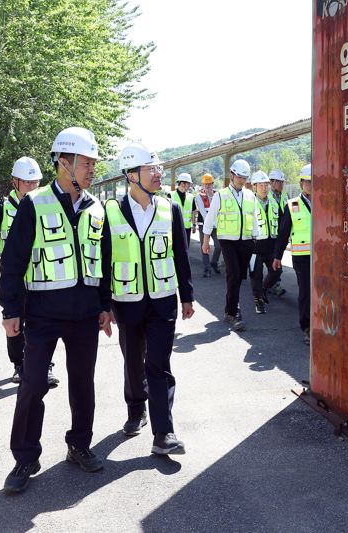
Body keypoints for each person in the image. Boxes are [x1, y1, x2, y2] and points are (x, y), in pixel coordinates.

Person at [0, 127, 113, 493]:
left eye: (94, 162)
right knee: (32, 384)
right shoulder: (36, 203)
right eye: (86, 162)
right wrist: (10, 310)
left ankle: (79, 445)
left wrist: (105, 306)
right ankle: (25, 458)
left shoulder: (96, 208)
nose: (92, 168)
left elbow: (104, 260)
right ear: (64, 163)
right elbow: (13, 262)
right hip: (43, 315)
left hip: (85, 316)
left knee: (83, 384)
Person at [106, 141, 194, 453]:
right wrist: (104, 306)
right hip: (127, 301)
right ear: (131, 175)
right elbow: (104, 261)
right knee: (133, 361)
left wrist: (187, 296)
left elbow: (180, 254)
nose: (158, 174)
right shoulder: (111, 212)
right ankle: (135, 410)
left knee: (159, 363)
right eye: (150, 168)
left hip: (162, 299)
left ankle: (164, 433)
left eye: (158, 167)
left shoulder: (170, 208)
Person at [0, 157, 58, 385]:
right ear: (15, 182)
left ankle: (46, 367)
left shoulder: (46, 206)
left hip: (41, 274)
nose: (32, 187)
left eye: (36, 182)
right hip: (13, 277)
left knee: (43, 323)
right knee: (13, 322)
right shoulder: (1, 209)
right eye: (27, 182)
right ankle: (19, 365)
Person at [201, 159, 258, 331]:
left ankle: (229, 309)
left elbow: (254, 218)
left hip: (246, 241)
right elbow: (210, 218)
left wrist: (256, 239)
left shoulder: (250, 195)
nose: (242, 180)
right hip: (227, 241)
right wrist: (205, 241)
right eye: (239, 177)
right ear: (232, 175)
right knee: (233, 275)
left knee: (239, 277)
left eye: (245, 178)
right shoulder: (221, 195)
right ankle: (234, 313)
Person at [274, 164, 313, 346]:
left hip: (322, 256)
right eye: (308, 182)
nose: (311, 185)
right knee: (305, 291)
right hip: (301, 257)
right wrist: (277, 256)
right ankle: (307, 327)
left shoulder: (325, 201)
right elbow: (283, 233)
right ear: (301, 183)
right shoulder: (292, 205)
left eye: (314, 182)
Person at [249, 171, 280, 314]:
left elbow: (281, 221)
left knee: (276, 272)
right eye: (260, 185)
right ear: (254, 187)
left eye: (266, 184)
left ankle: (264, 289)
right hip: (254, 247)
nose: (264, 187)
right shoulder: (248, 203)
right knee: (256, 275)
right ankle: (258, 301)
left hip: (271, 246)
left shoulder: (274, 202)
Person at [195, 173, 222, 277]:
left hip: (216, 226)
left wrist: (216, 224)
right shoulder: (199, 196)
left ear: (212, 184)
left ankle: (214, 262)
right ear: (202, 184)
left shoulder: (217, 195)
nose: (207, 186)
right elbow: (203, 212)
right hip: (204, 225)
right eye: (205, 184)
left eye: (209, 184)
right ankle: (207, 268)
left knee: (219, 245)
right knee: (204, 246)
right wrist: (211, 224)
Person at [267, 169, 288, 297]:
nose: (281, 184)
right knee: (274, 261)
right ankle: (274, 285)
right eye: (279, 182)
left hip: (281, 234)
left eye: (282, 182)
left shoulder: (285, 195)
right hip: (270, 235)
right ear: (272, 182)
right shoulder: (265, 196)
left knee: (276, 260)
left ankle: (271, 283)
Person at [170, 173, 196, 248]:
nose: (190, 186)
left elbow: (193, 211)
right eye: (189, 184)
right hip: (174, 227)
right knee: (174, 248)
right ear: (182, 183)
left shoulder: (191, 197)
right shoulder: (171, 195)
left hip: (187, 228)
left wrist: (194, 224)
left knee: (185, 248)